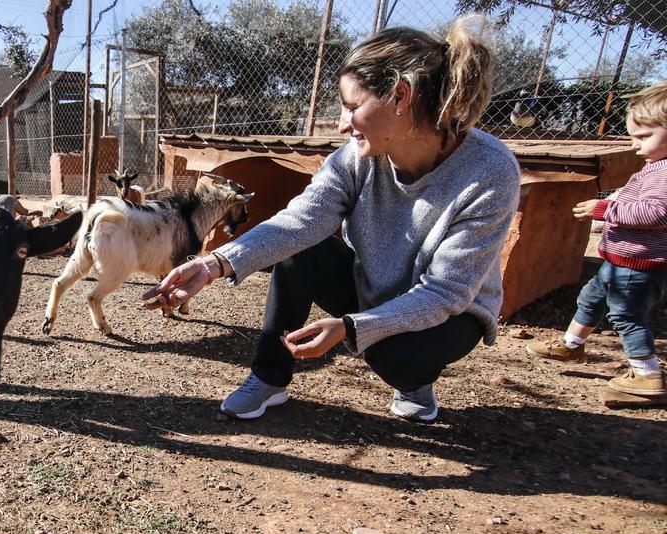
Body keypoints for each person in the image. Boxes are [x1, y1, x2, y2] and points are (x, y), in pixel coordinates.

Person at [141, 18, 521, 423]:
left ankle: (414, 383)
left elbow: (446, 292)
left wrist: (350, 328)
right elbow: (302, 220)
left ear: (401, 97)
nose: (342, 123)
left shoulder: (490, 172)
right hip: (372, 286)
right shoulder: (357, 158)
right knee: (301, 248)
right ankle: (268, 379)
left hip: (451, 313)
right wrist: (214, 262)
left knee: (395, 357)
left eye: (353, 106)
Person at [527, 81, 667, 395]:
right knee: (590, 298)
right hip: (621, 260)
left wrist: (607, 209)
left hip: (638, 266)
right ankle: (570, 344)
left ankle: (648, 373)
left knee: (626, 315)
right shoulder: (655, 167)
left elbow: (658, 213)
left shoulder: (663, 173)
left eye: (644, 137)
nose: (635, 145)